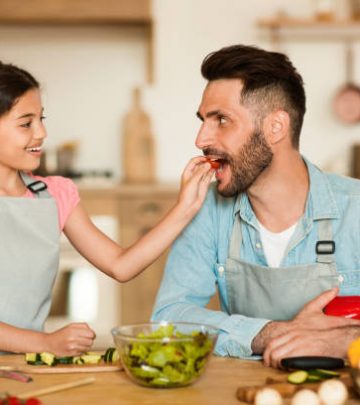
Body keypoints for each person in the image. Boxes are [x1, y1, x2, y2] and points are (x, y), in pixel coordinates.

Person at [152, 44, 360, 369]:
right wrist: (268, 333)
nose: (201, 138)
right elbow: (169, 317)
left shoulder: (355, 209)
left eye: (221, 120)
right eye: (203, 120)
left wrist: (346, 341)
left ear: (275, 127)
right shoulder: (207, 211)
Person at [0, 61, 214, 356]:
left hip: (25, 369)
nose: (41, 133)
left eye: (41, 119)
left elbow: (121, 265)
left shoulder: (55, 195)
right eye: (26, 123)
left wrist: (184, 208)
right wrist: (45, 343)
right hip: (34, 352)